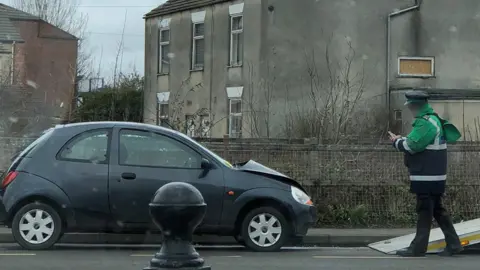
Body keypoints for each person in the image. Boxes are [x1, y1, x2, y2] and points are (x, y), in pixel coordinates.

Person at [388, 90, 463, 257]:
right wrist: (404, 140)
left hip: (425, 176)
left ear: (416, 106)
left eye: (410, 107)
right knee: (437, 210)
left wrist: (396, 142)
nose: (410, 110)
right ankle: (454, 244)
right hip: (435, 176)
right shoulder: (434, 120)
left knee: (424, 211)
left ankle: (418, 248)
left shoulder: (425, 123)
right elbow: (417, 141)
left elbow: (412, 146)